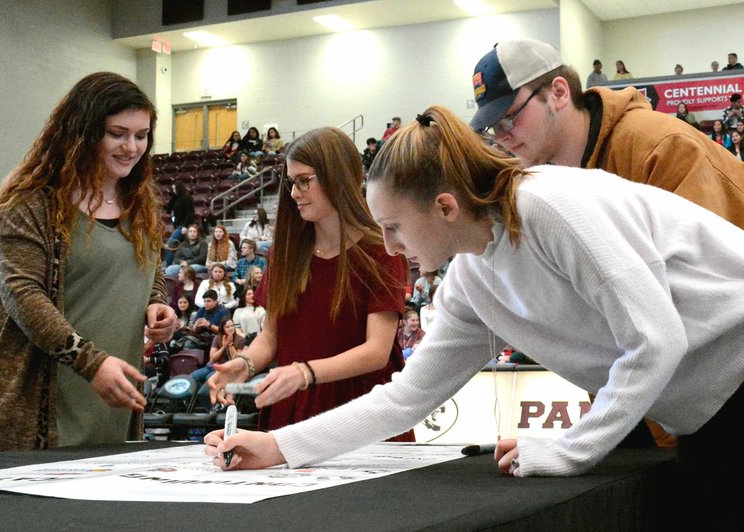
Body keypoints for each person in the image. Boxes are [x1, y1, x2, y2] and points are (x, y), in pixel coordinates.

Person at [204, 106, 744, 529]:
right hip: (705, 418)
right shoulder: (471, 281)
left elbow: (658, 341)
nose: (390, 244)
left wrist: (569, 449)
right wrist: (277, 447)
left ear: (444, 208)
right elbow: (406, 397)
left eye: (394, 226)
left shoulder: (549, 205)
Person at [0, 72, 177, 456]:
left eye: (141, 136)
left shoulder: (139, 202)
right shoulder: (29, 204)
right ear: (82, 132)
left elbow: (148, 266)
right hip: (28, 413)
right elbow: (23, 295)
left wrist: (157, 302)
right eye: (117, 133)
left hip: (108, 409)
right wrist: (91, 363)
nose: (131, 147)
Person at [206, 127, 413, 439]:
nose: (293, 193)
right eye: (291, 182)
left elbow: (376, 352)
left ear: (338, 177)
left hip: (362, 412)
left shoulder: (381, 252)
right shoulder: (285, 254)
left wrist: (304, 373)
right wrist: (245, 364)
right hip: (296, 407)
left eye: (304, 181)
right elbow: (270, 338)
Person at [469, 39, 744, 229]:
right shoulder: (546, 177)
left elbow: (706, 289)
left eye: (509, 118)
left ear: (559, 93)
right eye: (494, 127)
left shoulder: (661, 148)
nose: (502, 136)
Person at [189, 317, 245, 386]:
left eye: (232, 326)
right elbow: (212, 358)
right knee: (192, 377)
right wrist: (224, 347)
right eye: (227, 327)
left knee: (208, 378)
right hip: (213, 366)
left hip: (225, 369)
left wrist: (230, 344)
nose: (231, 328)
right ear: (223, 329)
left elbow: (236, 360)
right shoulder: (217, 337)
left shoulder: (240, 340)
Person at [163, 181, 195, 267]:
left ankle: (168, 266)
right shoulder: (176, 198)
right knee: (179, 247)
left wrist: (185, 226)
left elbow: (190, 213)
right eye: (172, 189)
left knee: (170, 244)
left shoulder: (187, 197)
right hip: (177, 225)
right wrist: (173, 197)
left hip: (184, 225)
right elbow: (168, 209)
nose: (173, 190)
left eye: (174, 189)